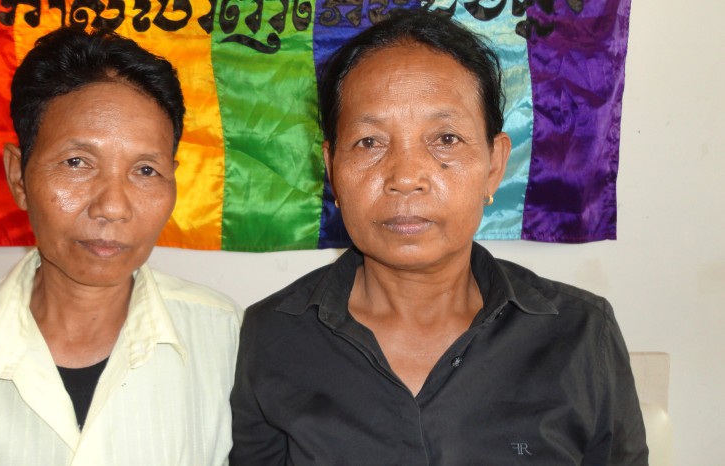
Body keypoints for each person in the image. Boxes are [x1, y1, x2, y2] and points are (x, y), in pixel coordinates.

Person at [230, 9, 647, 465]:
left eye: (445, 138)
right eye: (370, 142)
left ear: (493, 165)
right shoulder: (273, 335)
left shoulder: (582, 334)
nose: (406, 177)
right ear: (331, 169)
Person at [0, 28, 241, 465]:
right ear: (19, 176)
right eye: (77, 163)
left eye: (146, 170)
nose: (112, 207)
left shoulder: (229, 341)